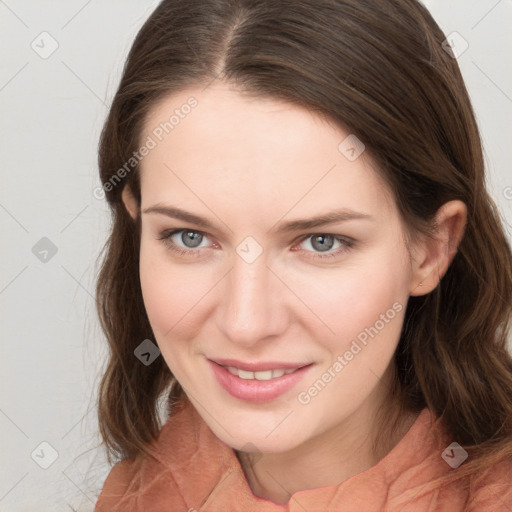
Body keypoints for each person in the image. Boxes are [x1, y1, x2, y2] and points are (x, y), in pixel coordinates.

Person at [93, 0, 512, 510]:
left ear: (430, 249)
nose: (246, 324)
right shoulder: (130, 496)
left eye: (321, 242)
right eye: (190, 237)